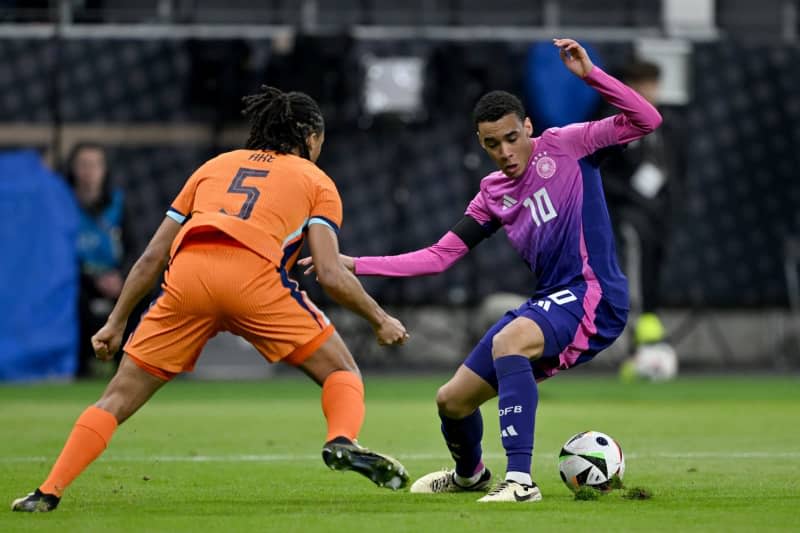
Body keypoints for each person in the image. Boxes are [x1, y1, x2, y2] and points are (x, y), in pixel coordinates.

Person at [12, 86, 411, 513]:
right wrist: (379, 318)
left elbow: (152, 256)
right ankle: (342, 440)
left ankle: (47, 491)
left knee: (115, 398)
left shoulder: (214, 167)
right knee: (341, 371)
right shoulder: (316, 181)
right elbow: (329, 273)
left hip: (188, 278)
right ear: (311, 138)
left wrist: (115, 322)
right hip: (255, 279)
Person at [301, 38, 662, 503]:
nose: (506, 151)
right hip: (552, 300)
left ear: (528, 127)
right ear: (481, 143)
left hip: (594, 295)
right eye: (493, 144)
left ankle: (520, 481)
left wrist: (591, 74)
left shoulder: (569, 145)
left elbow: (647, 119)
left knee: (511, 340)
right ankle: (470, 475)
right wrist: (354, 262)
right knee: (451, 400)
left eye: (513, 137)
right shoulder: (493, 194)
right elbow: (438, 256)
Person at [599, 60, 685, 349]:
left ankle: (650, 321)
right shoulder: (612, 123)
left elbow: (675, 169)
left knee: (655, 263)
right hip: (625, 214)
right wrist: (632, 197)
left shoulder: (668, 124)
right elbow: (602, 173)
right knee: (633, 260)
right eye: (643, 85)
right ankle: (635, 327)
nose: (650, 91)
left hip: (659, 212)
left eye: (653, 85)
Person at [65, 142, 127, 377]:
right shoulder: (62, 205)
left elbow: (135, 247)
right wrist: (93, 279)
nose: (89, 172)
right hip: (80, 282)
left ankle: (131, 364)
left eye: (95, 165)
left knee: (145, 294)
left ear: (105, 170)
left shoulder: (119, 204)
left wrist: (121, 276)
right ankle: (80, 367)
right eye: (83, 165)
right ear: (73, 170)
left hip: (117, 280)